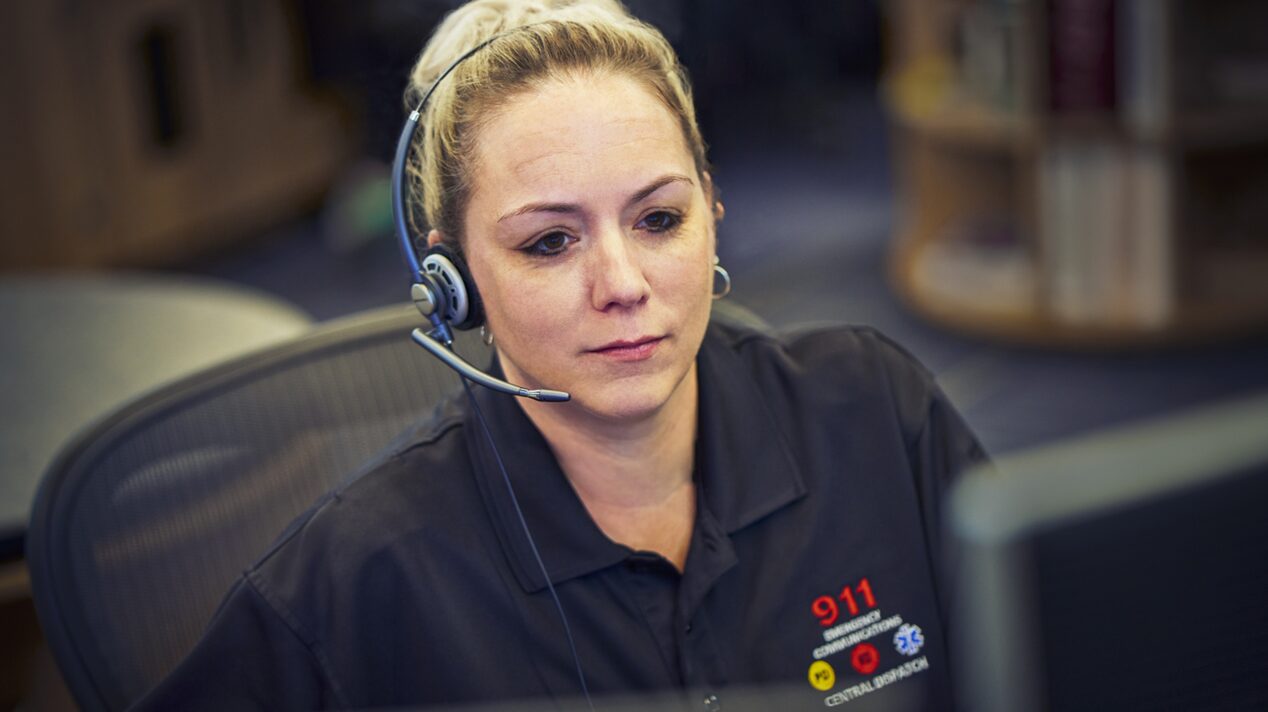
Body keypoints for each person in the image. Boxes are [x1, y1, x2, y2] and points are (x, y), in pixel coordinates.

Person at [133, 1, 988, 709]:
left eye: (658, 219)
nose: (622, 284)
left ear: (713, 210)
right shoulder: (356, 583)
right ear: (454, 278)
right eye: (549, 242)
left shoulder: (877, 409)